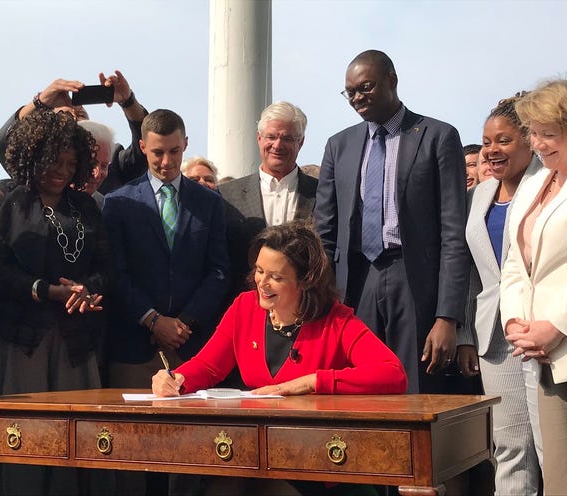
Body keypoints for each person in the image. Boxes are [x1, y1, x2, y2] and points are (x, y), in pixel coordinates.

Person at [153, 221, 406, 496]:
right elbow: (208, 365)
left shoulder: (336, 320)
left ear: (306, 279)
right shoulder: (244, 307)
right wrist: (178, 379)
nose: (262, 282)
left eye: (276, 276)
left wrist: (311, 382)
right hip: (255, 453)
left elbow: (392, 373)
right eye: (259, 271)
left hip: (319, 461)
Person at [0, 109, 113, 496]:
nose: (62, 170)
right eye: (55, 160)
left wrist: (87, 291)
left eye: (71, 163)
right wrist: (42, 290)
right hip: (19, 339)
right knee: (24, 439)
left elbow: (107, 266)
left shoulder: (85, 206)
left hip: (74, 341)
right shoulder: (3, 195)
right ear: (33, 153)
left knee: (75, 441)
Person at [314, 50, 468, 394]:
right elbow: (324, 231)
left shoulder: (436, 136)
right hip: (355, 282)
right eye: (350, 92)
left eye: (365, 87)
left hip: (412, 281)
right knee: (359, 389)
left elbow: (453, 233)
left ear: (392, 80)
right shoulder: (339, 145)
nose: (356, 98)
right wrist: (320, 300)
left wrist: (447, 317)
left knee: (413, 388)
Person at [102, 109, 229, 495]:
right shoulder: (119, 203)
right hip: (134, 349)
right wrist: (152, 320)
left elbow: (219, 272)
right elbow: (114, 275)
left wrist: (182, 323)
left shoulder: (210, 204)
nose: (167, 161)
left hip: (190, 348)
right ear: (142, 147)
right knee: (132, 455)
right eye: (157, 152)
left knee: (187, 458)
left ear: (186, 144)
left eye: (175, 151)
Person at [458, 94, 543, 495]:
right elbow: (472, 272)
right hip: (495, 336)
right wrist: (466, 338)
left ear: (530, 140)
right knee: (509, 448)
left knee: (553, 447)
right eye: (487, 141)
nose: (491, 151)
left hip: (542, 332)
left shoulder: (551, 187)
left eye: (503, 141)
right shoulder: (478, 197)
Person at [502, 79, 567, 494]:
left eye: (549, 133)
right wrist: (515, 320)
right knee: (560, 480)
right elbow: (515, 262)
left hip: (560, 338)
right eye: (534, 132)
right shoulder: (534, 183)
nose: (538, 144)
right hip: (545, 357)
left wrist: (557, 324)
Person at [218, 101, 317, 304]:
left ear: (301, 142)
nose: (278, 145)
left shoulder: (322, 192)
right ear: (259, 138)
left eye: (287, 138)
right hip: (245, 309)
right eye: (271, 137)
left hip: (305, 308)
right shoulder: (227, 195)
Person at [0, 70, 148, 194]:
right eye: (65, 116)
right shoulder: (38, 168)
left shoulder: (112, 161)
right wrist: (40, 102)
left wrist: (128, 101)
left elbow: (147, 148)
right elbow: (4, 143)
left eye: (80, 115)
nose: (74, 119)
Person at [78, 120, 115, 209]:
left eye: (104, 166)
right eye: (91, 163)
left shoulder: (106, 209)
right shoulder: (43, 202)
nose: (97, 174)